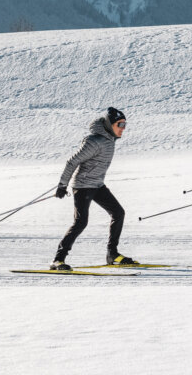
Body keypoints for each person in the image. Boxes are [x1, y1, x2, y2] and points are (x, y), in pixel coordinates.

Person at [49, 107, 138, 270]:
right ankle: (57, 260)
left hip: (97, 185)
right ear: (110, 125)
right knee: (80, 222)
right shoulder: (95, 141)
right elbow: (72, 162)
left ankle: (112, 255)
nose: (123, 128)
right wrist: (62, 185)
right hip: (83, 186)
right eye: (121, 124)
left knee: (118, 213)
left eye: (125, 124)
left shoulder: (109, 139)